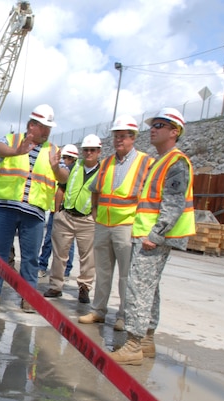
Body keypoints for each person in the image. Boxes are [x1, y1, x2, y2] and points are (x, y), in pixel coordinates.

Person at [111, 108, 195, 365]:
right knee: (150, 288)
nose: (153, 129)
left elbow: (174, 203)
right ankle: (146, 340)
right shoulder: (161, 160)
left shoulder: (175, 162)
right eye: (153, 125)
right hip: (148, 235)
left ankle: (134, 344)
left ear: (174, 132)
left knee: (138, 287)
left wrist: (155, 235)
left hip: (154, 238)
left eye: (160, 125)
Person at [0, 104, 68, 312]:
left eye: (49, 128)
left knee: (30, 257)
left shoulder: (53, 151)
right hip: (6, 207)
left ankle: (28, 296)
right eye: (44, 127)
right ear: (32, 125)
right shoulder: (12, 140)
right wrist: (16, 151)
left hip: (34, 212)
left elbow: (65, 177)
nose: (47, 131)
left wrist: (55, 168)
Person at [78, 115, 152, 330]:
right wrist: (94, 211)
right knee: (103, 272)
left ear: (133, 137)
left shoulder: (145, 162)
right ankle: (98, 311)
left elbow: (150, 198)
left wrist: (142, 225)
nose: (118, 140)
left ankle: (123, 316)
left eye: (123, 136)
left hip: (127, 226)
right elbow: (96, 190)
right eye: (116, 136)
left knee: (126, 276)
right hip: (103, 225)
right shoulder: (108, 162)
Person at [43, 134, 102, 303]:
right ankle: (56, 286)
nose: (89, 153)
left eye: (92, 150)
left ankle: (84, 287)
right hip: (66, 216)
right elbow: (61, 188)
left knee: (87, 256)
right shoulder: (74, 167)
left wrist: (96, 216)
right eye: (86, 150)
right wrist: (57, 211)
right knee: (60, 254)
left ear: (98, 152)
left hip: (87, 219)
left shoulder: (103, 171)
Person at [39, 145, 77, 278]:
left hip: (65, 210)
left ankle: (66, 270)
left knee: (68, 244)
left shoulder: (73, 173)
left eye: (67, 158)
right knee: (49, 240)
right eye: (64, 157)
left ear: (73, 159)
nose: (65, 160)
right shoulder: (58, 170)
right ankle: (42, 265)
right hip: (54, 210)